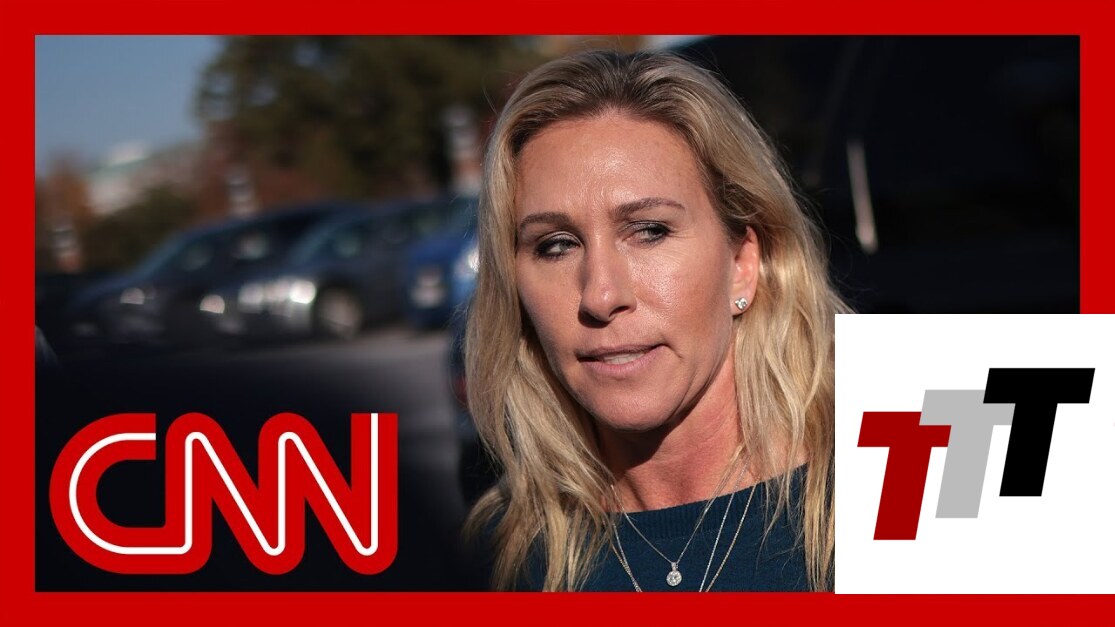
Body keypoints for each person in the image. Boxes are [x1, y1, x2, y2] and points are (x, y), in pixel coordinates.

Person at [463, 49, 847, 592]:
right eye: (556, 245)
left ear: (742, 263)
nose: (601, 295)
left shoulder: (919, 469)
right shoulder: (504, 554)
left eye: (649, 231)